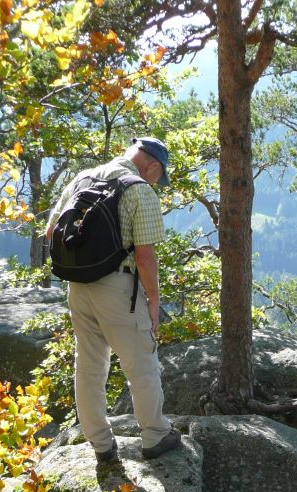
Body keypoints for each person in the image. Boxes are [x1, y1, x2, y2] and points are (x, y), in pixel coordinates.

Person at [45, 137, 182, 462]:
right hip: (120, 290)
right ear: (151, 165)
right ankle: (155, 435)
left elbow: (51, 232)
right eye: (157, 176)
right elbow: (145, 256)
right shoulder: (138, 189)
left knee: (89, 366)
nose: (156, 182)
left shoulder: (83, 178)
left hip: (78, 287)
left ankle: (101, 445)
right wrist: (153, 299)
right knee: (141, 365)